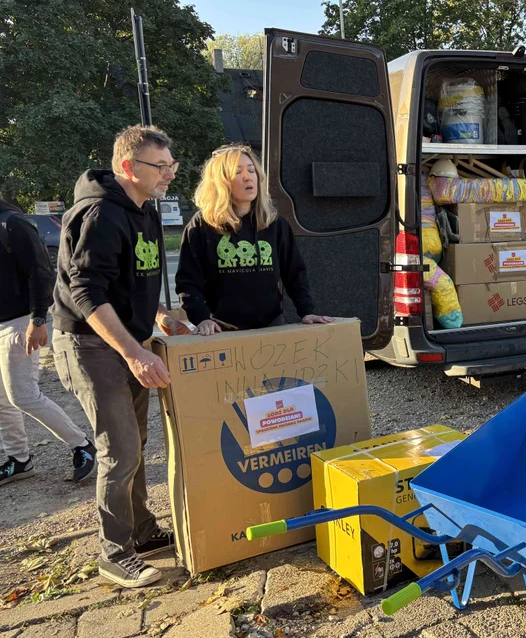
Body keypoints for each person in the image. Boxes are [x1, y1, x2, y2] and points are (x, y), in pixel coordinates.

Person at [53, 125, 190, 588]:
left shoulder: (144, 210)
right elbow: (88, 292)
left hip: (128, 341)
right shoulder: (99, 215)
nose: (170, 173)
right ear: (129, 167)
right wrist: (134, 352)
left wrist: (160, 317)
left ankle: (144, 532)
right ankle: (115, 553)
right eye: (162, 166)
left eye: (172, 164)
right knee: (120, 448)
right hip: (90, 345)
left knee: (136, 442)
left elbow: (131, 280)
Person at [175, 143, 332, 334]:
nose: (248, 177)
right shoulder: (202, 225)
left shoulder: (274, 223)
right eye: (238, 172)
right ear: (222, 181)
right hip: (221, 330)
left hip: (271, 326)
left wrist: (307, 311)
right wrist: (201, 319)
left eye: (251, 170)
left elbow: (295, 273)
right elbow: (188, 280)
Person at [0, 200, 95, 485]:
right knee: (2, 401)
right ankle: (19, 460)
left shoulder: (13, 224)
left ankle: (82, 446)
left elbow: (41, 272)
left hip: (20, 322)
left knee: (23, 395)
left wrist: (38, 320)